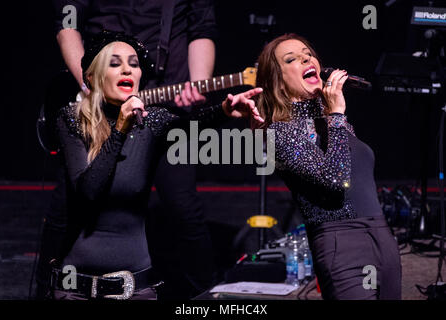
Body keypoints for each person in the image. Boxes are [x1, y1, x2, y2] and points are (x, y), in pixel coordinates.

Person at [50, 30, 263, 300]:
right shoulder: (72, 119)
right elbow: (88, 191)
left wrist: (224, 110)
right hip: (75, 290)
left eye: (134, 63)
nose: (127, 69)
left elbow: (189, 126)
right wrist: (119, 131)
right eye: (115, 63)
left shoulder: (151, 122)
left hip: (136, 290)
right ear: (92, 77)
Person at [37, 0, 217, 299]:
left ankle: (205, 300)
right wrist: (91, 85)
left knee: (185, 210)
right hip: (96, 103)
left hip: (163, 102)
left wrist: (198, 86)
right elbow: (67, 22)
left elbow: (202, 28)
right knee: (67, 210)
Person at [250, 33, 401, 300]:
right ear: (280, 82)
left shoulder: (332, 121)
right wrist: (337, 115)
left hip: (381, 236)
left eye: (308, 53)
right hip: (341, 244)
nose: (306, 58)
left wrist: (334, 117)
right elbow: (336, 180)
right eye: (291, 59)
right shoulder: (280, 133)